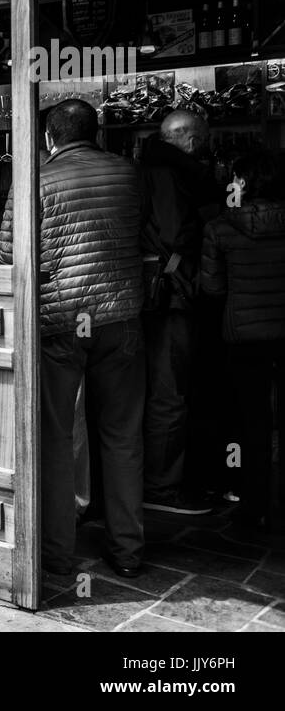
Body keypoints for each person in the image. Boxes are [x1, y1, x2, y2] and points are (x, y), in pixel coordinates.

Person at [0, 99, 146, 579]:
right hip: (121, 318)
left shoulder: (34, 178)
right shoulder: (128, 173)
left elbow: (9, 254)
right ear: (95, 131)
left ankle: (57, 555)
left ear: (47, 138)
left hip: (61, 321)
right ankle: (128, 552)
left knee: (56, 436)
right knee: (122, 435)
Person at [137, 109, 221, 514]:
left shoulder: (152, 167)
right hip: (169, 294)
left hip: (155, 292)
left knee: (159, 389)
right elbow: (172, 236)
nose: (206, 143)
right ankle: (161, 487)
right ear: (188, 138)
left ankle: (156, 480)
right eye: (202, 137)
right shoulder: (171, 174)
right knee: (169, 392)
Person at [200, 151, 285, 529]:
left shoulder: (220, 227)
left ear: (243, 184)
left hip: (244, 335)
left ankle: (254, 503)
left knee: (251, 420)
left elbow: (212, 287)